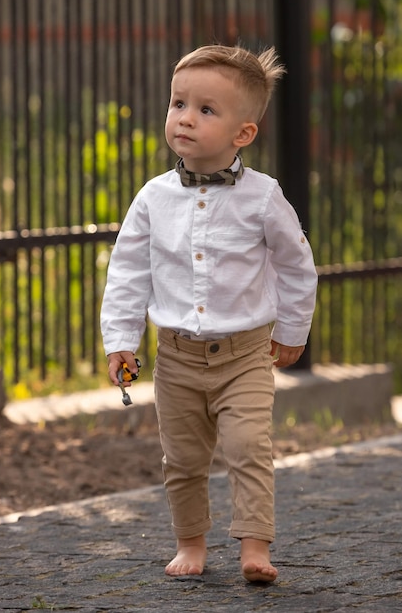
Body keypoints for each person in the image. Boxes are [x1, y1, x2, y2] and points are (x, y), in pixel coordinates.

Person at [100, 44, 318, 583]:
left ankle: (254, 547)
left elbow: (296, 265)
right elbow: (128, 272)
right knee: (183, 460)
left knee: (249, 448)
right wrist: (121, 341)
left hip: (245, 355)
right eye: (178, 104)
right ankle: (190, 543)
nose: (185, 118)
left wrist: (292, 330)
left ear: (243, 133)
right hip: (174, 358)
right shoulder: (152, 198)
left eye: (205, 110)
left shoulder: (264, 198)